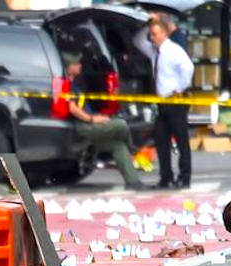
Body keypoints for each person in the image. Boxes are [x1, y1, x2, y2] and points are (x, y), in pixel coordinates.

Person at [64, 52, 143, 189]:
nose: (80, 65)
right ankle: (133, 149)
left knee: (118, 146)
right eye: (76, 64)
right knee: (121, 125)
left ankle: (133, 182)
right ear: (68, 67)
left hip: (89, 123)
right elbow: (73, 109)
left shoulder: (75, 84)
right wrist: (92, 119)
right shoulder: (67, 85)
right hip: (84, 126)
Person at [135, 21, 195, 189]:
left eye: (155, 34)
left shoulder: (173, 50)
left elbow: (188, 68)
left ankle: (184, 178)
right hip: (162, 103)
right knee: (161, 139)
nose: (152, 38)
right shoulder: (155, 51)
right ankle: (166, 177)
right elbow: (138, 41)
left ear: (164, 34)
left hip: (175, 101)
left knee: (181, 140)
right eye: (151, 35)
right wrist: (148, 23)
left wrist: (179, 88)